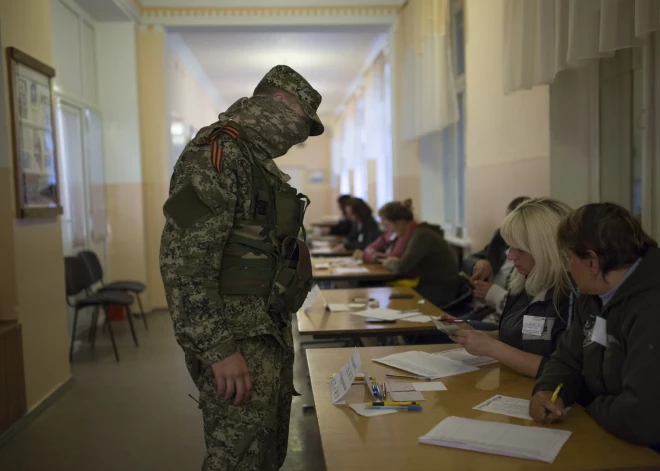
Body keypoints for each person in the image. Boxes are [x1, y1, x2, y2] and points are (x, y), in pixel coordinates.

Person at [160, 65, 323, 470]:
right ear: (281, 102)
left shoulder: (253, 161)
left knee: (265, 454)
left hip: (265, 334)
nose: (300, 137)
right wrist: (218, 349)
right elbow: (183, 261)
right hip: (237, 341)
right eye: (303, 123)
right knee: (237, 459)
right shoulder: (214, 154)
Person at [530, 203, 660, 449]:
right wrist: (547, 390)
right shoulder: (592, 296)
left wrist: (588, 404)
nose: (568, 267)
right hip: (611, 435)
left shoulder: (651, 307)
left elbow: (644, 417)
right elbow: (568, 359)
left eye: (569, 258)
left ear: (592, 262)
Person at [451, 198, 573, 378]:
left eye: (519, 249)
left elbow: (562, 372)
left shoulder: (571, 296)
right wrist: (474, 336)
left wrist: (492, 347)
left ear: (546, 250)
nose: (511, 256)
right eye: (510, 246)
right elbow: (517, 339)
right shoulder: (524, 281)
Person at [380, 208, 462, 308]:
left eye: (388, 225)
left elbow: (401, 268)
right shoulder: (420, 232)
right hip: (434, 287)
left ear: (400, 223)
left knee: (388, 299)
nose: (388, 230)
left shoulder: (421, 236)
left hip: (438, 292)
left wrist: (389, 263)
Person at [469, 196, 530, 324]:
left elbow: (527, 321)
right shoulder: (500, 238)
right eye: (506, 220)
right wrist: (481, 262)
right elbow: (474, 257)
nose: (511, 256)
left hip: (497, 318)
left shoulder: (532, 259)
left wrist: (494, 294)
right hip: (478, 309)